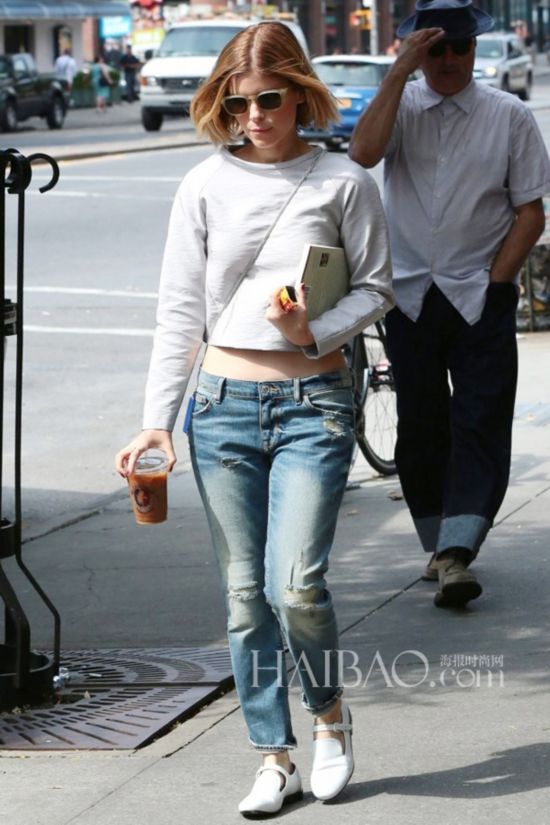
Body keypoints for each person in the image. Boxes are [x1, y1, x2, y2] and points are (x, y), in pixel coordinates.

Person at [116, 21, 393, 817]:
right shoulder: (204, 184)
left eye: (269, 99)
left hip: (314, 404)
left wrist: (315, 329)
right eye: (237, 104)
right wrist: (157, 420)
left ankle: (329, 716)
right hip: (221, 407)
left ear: (299, 94)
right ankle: (273, 755)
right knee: (244, 595)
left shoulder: (343, 181)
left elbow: (378, 287)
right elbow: (179, 311)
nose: (254, 117)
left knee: (295, 585)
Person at [350, 0, 550, 608]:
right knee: (421, 426)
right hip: (409, 295)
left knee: (481, 420)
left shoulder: (508, 115)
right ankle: (440, 546)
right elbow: (363, 154)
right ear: (418, 53)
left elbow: (530, 213)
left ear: (474, 49)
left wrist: (496, 281)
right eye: (434, 49)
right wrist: (396, 72)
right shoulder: (401, 105)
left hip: (480, 294)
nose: (447, 60)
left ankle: (458, 550)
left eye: (459, 47)